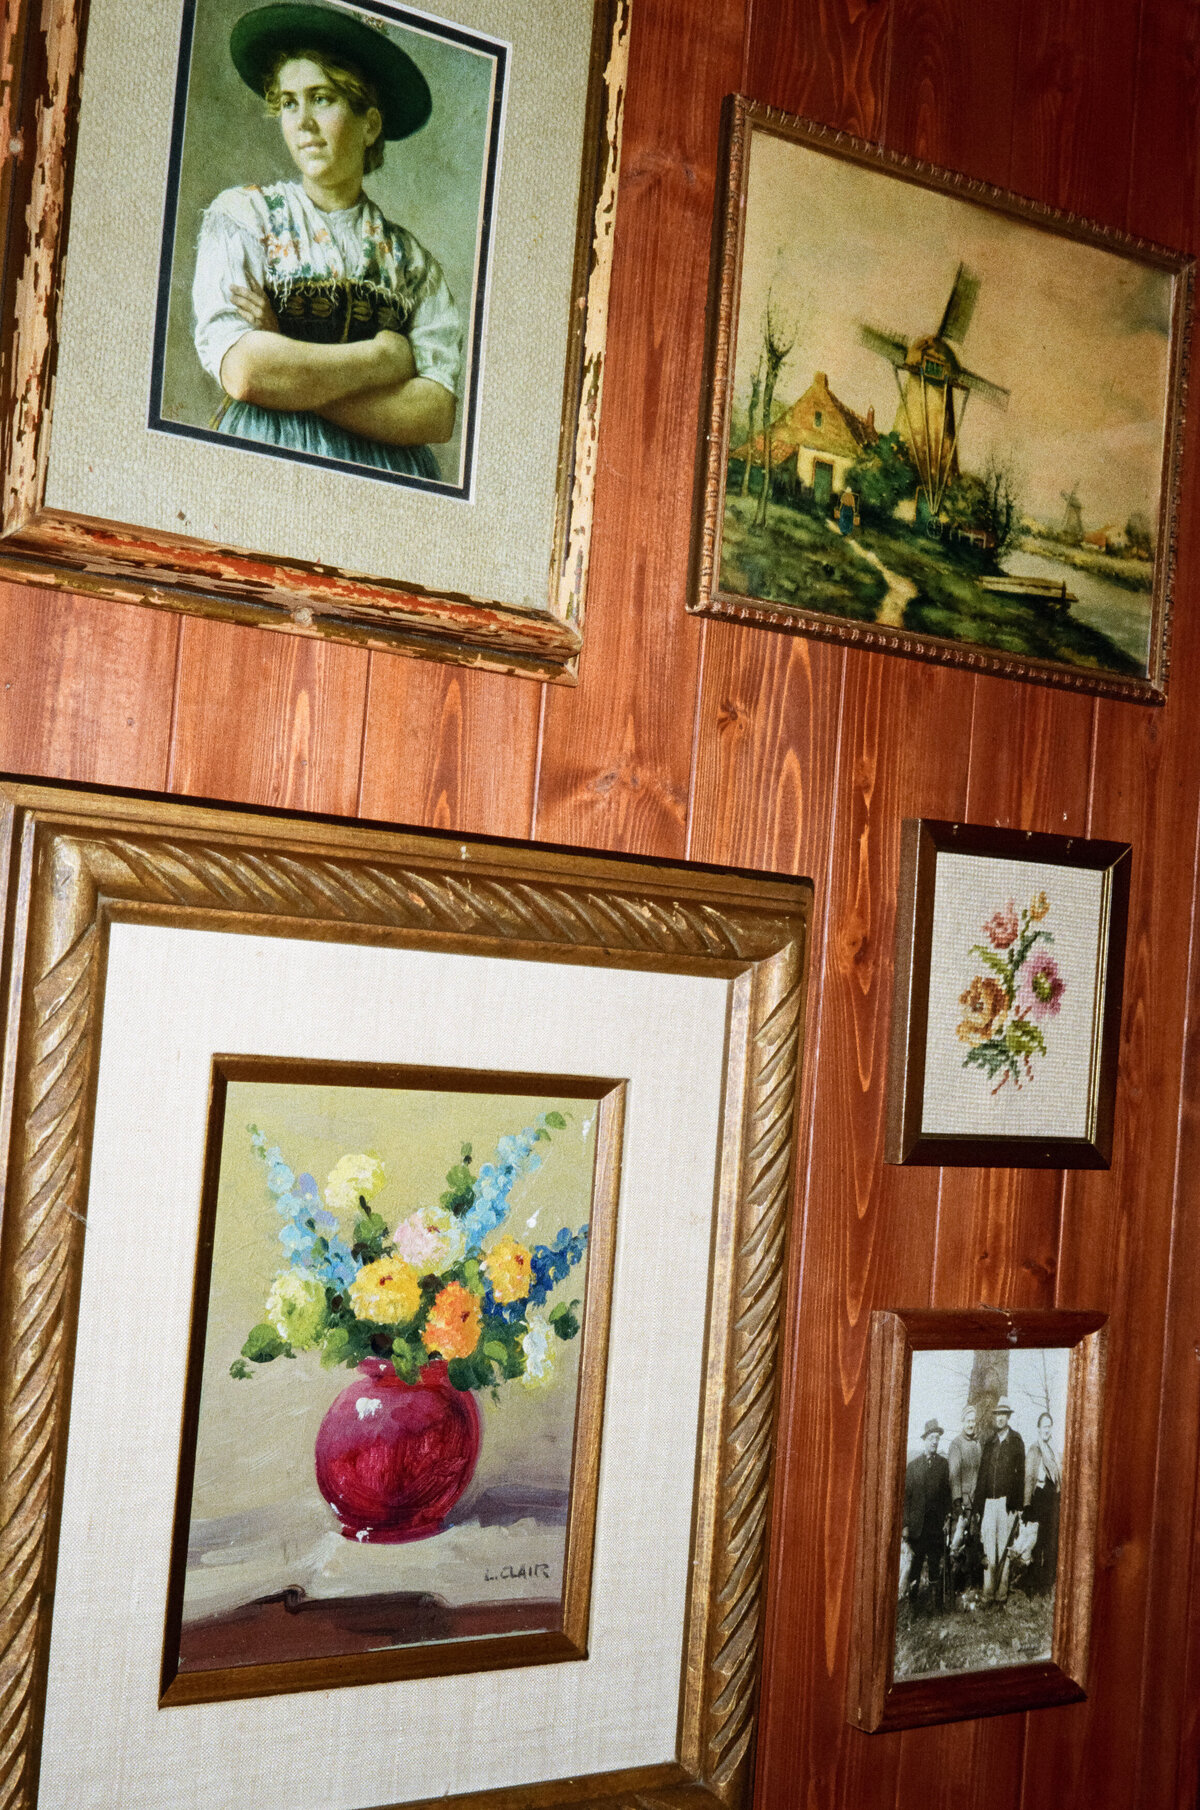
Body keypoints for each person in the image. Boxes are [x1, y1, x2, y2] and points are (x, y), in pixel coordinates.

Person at [192, 2, 462, 481]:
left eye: (323, 99)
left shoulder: (413, 265)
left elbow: (435, 414)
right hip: (266, 453)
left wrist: (287, 358)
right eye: (290, 103)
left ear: (370, 124)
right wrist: (384, 358)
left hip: (387, 474)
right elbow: (246, 372)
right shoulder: (244, 216)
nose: (304, 124)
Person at [973, 1398, 1026, 1605]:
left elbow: (1020, 1476)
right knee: (989, 1549)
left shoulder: (1016, 1441)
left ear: (1008, 1416)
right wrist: (978, 1506)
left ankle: (1001, 1594)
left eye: (1003, 1414)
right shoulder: (989, 1443)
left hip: (1006, 1504)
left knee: (1004, 1547)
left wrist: (1017, 1506)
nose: (1000, 1417)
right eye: (997, 1414)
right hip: (988, 1503)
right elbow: (982, 1476)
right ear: (994, 1417)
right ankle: (988, 1593)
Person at [901, 1418, 952, 1611]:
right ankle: (913, 1604)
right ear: (925, 1439)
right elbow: (905, 1499)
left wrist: (947, 1517)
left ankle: (936, 1606)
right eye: (931, 1438)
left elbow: (946, 1495)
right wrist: (905, 1525)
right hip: (917, 1528)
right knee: (915, 1566)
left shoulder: (943, 1465)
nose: (934, 1442)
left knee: (934, 1566)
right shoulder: (913, 1467)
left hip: (935, 1529)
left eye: (937, 1438)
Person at [1024, 1410, 1061, 1595]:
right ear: (1038, 1429)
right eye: (1044, 1426)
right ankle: (1033, 1584)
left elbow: (1057, 1478)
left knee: (1049, 1542)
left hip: (1051, 1500)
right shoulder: (1034, 1450)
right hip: (1038, 1499)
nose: (1047, 1430)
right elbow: (1029, 1478)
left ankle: (1046, 1584)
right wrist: (1027, 1505)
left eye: (1049, 1426)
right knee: (1036, 1543)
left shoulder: (1052, 1450)